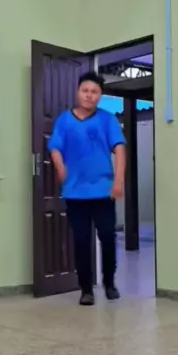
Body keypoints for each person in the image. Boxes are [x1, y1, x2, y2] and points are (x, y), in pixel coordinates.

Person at [48, 71, 126, 306]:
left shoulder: (107, 120)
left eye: (94, 92)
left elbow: (119, 149)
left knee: (108, 237)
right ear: (78, 92)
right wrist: (60, 166)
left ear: (100, 96)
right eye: (85, 90)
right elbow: (54, 146)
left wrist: (118, 181)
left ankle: (109, 282)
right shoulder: (64, 120)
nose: (89, 95)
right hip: (75, 192)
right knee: (81, 241)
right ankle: (86, 289)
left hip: (103, 191)